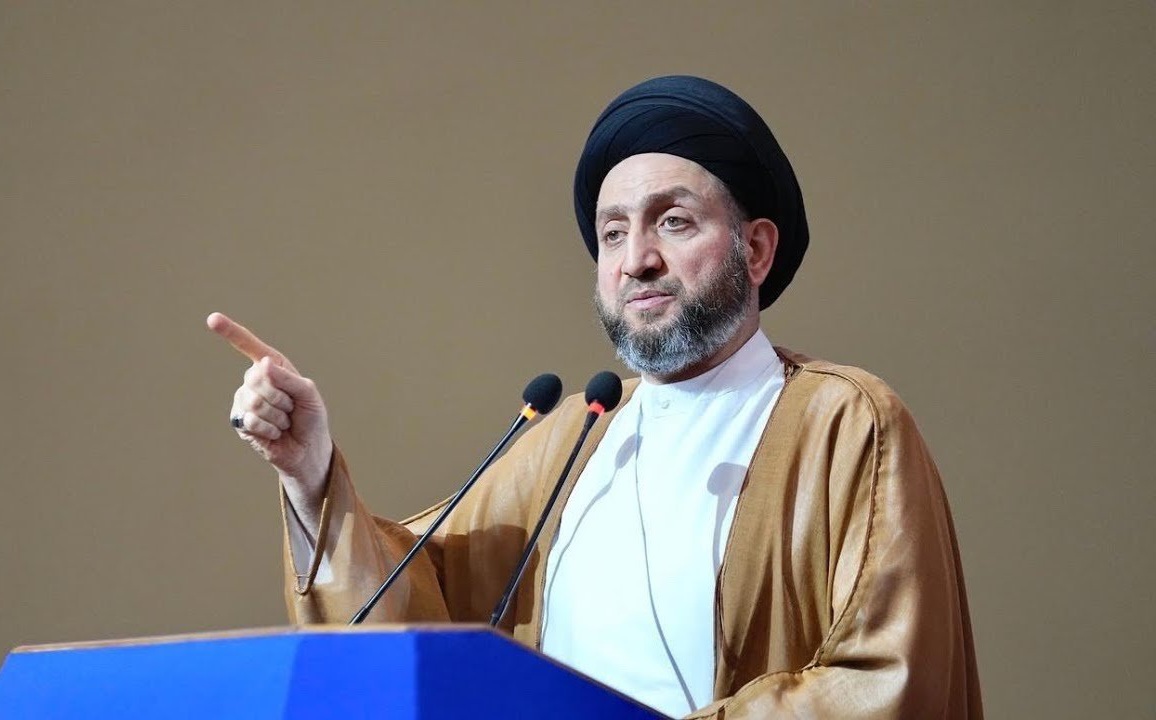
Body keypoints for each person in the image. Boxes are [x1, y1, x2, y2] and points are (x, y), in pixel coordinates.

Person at [209, 76, 983, 719]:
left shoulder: (844, 424)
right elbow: (410, 612)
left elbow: (888, 686)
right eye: (613, 233)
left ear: (754, 249)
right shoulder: (573, 436)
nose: (636, 259)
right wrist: (311, 474)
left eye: (672, 221)